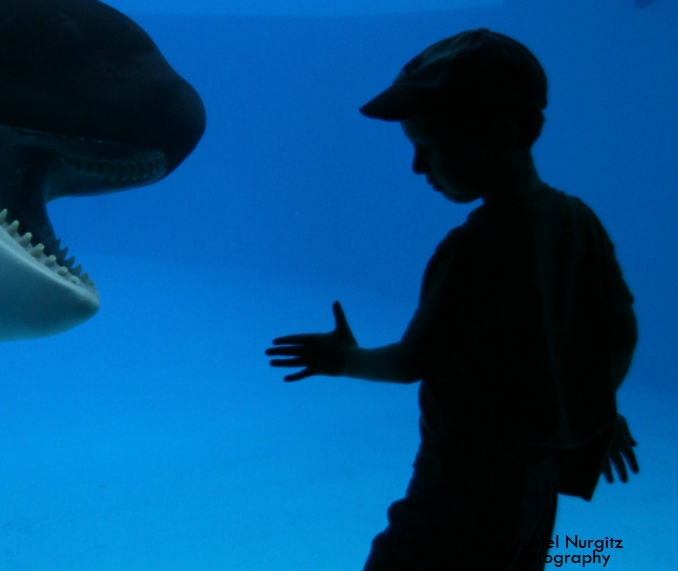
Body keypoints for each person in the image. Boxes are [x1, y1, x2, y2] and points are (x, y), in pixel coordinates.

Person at [266, 29, 639, 571]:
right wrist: (596, 416)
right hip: (534, 494)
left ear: (501, 135)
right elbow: (619, 334)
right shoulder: (577, 221)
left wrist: (342, 359)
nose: (419, 168)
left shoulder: (473, 247)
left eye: (430, 147)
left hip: (457, 494)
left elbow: (411, 362)